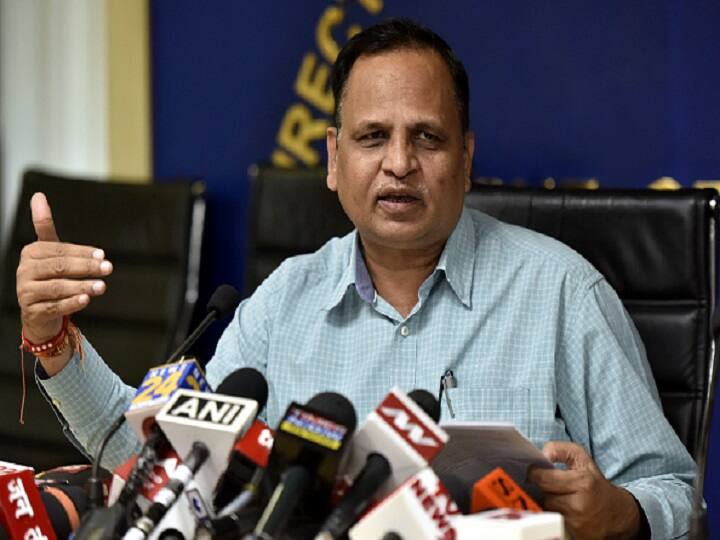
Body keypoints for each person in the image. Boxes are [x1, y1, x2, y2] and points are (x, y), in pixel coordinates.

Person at [16, 18, 693, 539]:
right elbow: (166, 463)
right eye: (372, 137)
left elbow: (675, 492)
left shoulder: (563, 293)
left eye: (427, 137)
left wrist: (620, 512)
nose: (399, 163)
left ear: (465, 159)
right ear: (334, 159)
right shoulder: (284, 300)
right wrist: (54, 341)